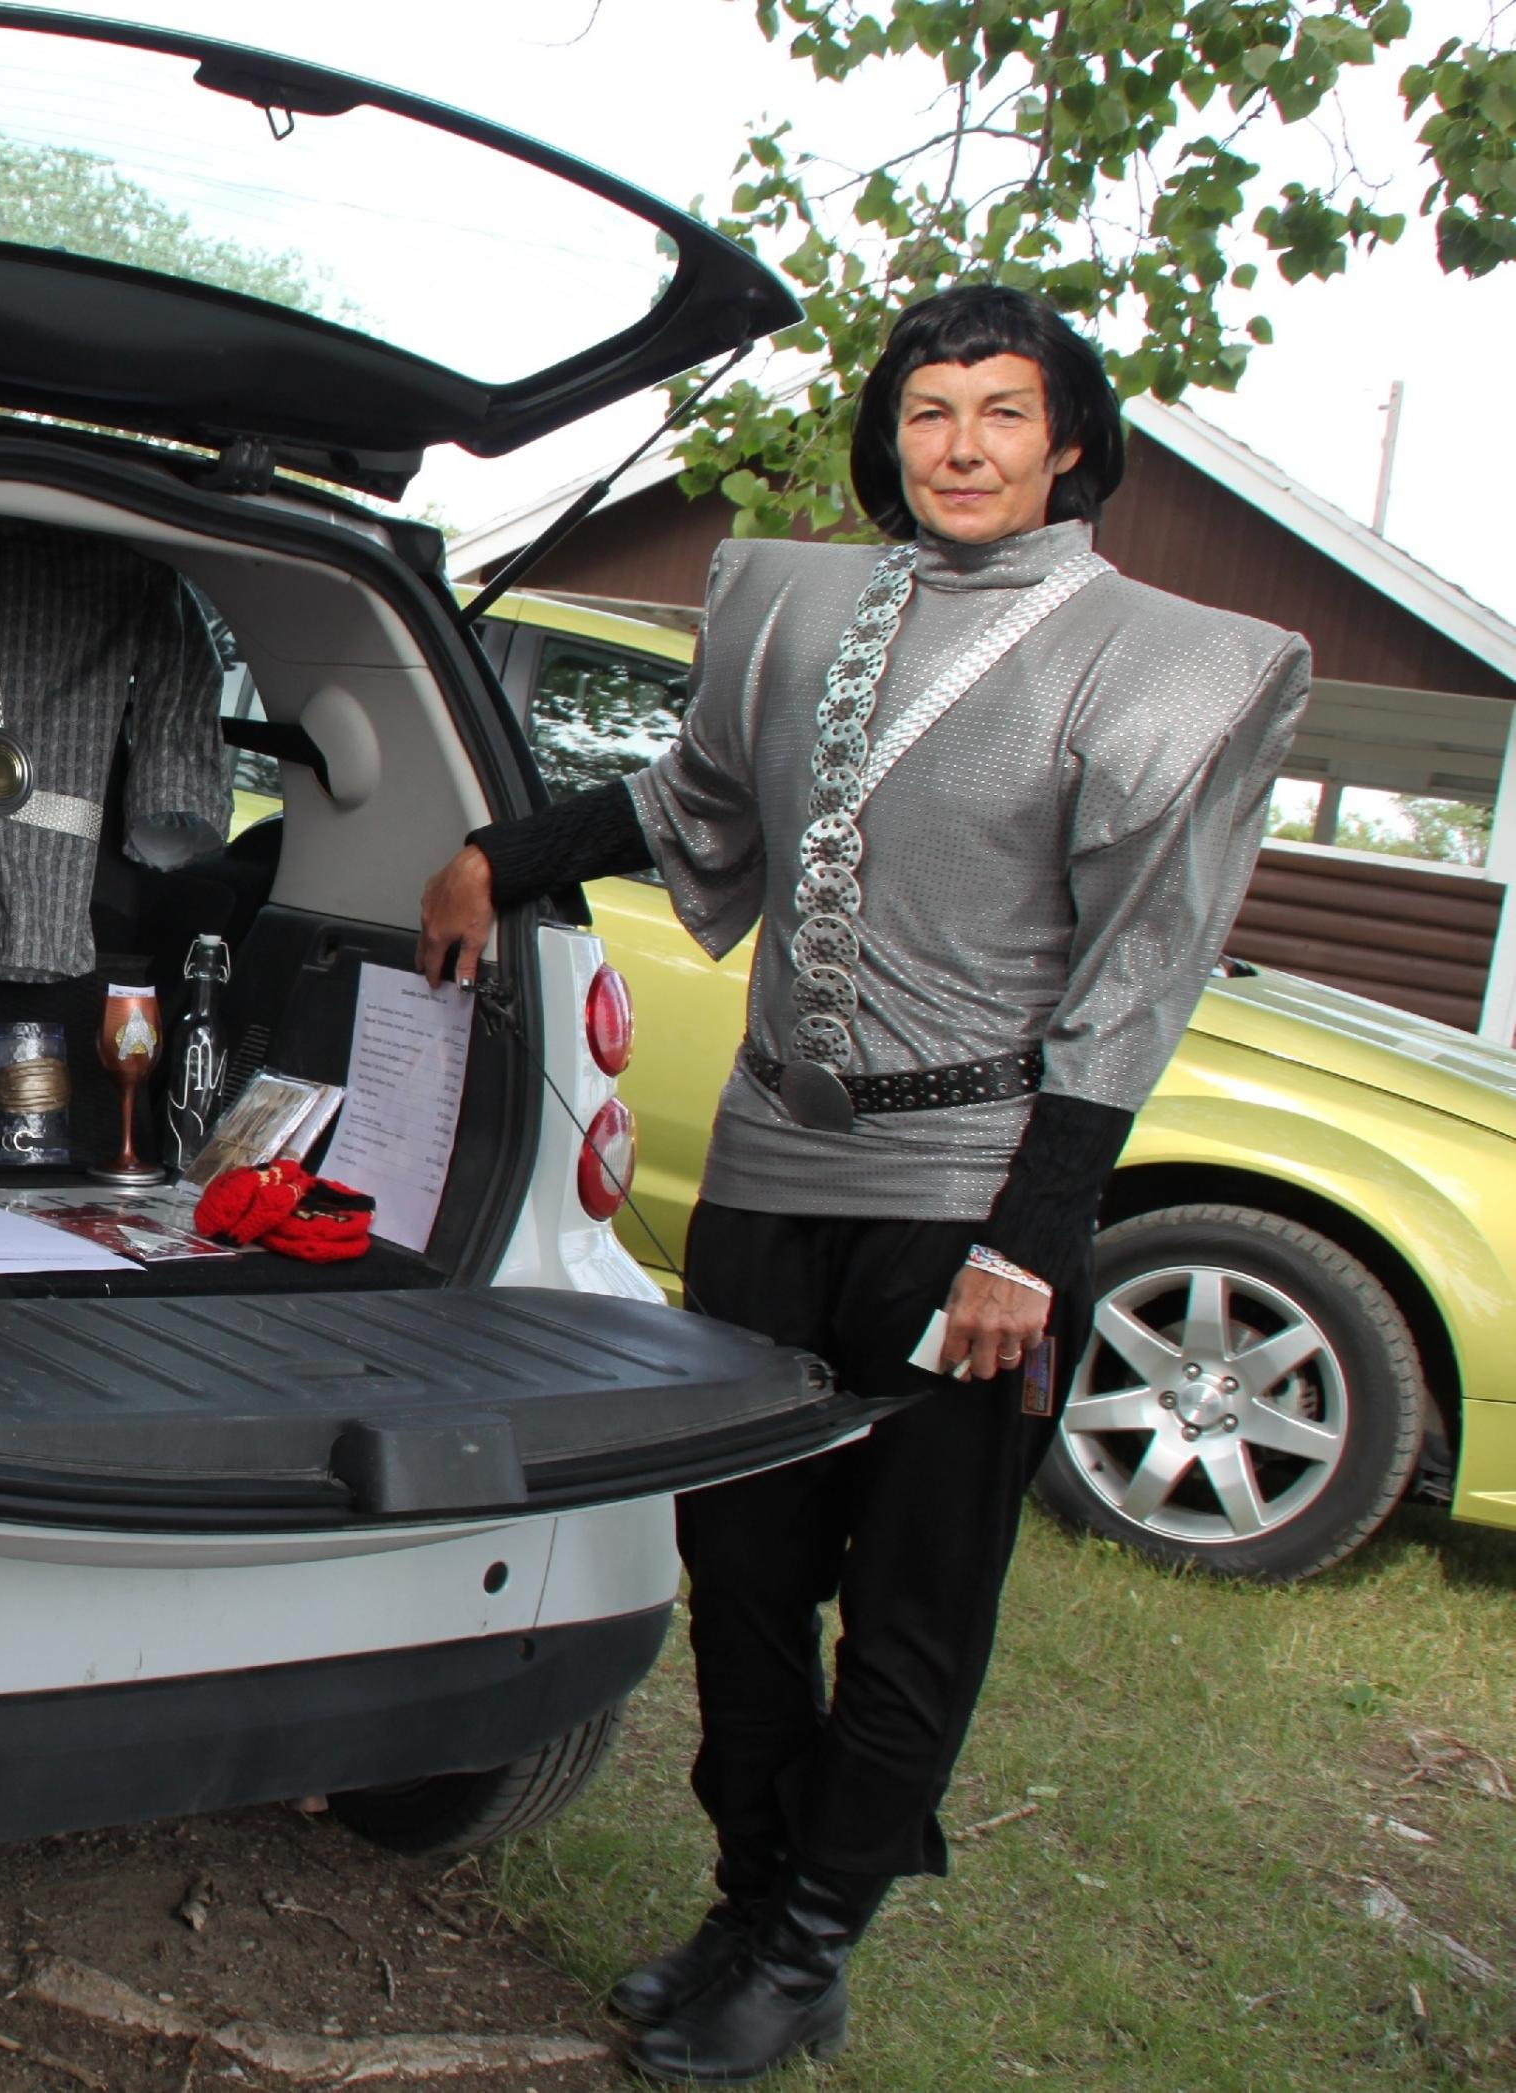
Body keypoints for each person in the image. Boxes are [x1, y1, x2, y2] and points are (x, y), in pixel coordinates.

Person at [420, 284, 1308, 2083]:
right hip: (768, 1159)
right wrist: (495, 848)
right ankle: (752, 1900)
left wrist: (1029, 1243)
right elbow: (693, 803)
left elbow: (1131, 980)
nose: (961, 445)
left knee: (910, 1590)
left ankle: (811, 1943)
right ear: (886, 434)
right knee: (738, 1560)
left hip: (967, 1190)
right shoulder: (806, 607)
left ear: (1070, 439)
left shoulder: (1157, 659)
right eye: (927, 411)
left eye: (1000, 411)